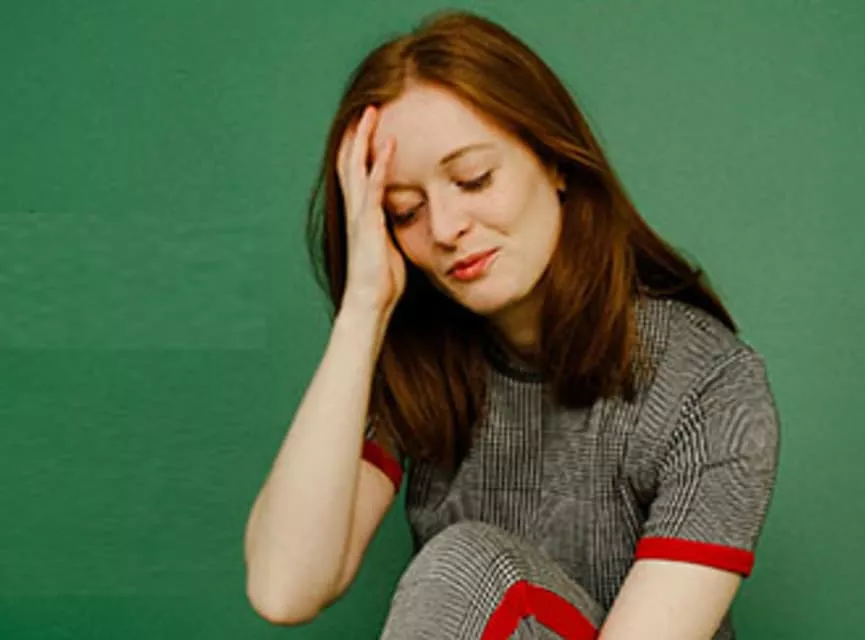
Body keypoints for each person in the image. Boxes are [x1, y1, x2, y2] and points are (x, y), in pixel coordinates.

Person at [243, 9, 781, 640]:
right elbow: (283, 589)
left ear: (554, 159)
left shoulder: (709, 383)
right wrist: (364, 308)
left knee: (465, 565)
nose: (446, 228)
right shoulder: (421, 365)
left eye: (474, 180)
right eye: (406, 211)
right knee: (461, 564)